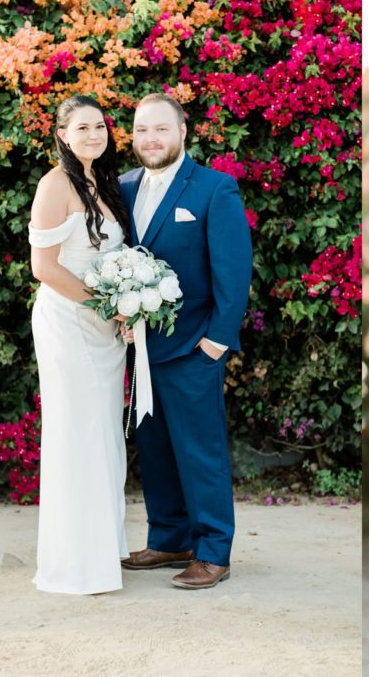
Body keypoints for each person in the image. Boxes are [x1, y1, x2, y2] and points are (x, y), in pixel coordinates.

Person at [118, 93, 252, 589]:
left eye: (160, 129)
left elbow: (233, 272)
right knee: (154, 448)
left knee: (201, 452)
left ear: (183, 132)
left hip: (194, 348)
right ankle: (170, 537)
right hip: (142, 350)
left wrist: (216, 343)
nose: (150, 139)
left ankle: (213, 550)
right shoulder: (123, 188)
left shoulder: (215, 189)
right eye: (141, 130)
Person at [28, 95, 132, 595]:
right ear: (63, 134)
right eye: (83, 127)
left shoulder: (102, 182)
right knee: (78, 434)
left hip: (105, 330)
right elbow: (44, 268)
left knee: (104, 436)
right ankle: (74, 565)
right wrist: (106, 305)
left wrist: (130, 303)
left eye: (100, 126)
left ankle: (102, 551)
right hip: (70, 322)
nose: (94, 134)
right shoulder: (54, 184)